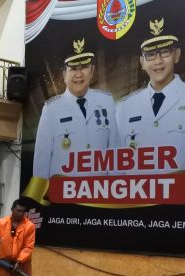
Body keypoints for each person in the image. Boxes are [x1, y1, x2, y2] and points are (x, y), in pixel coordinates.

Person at [117, 18, 185, 175]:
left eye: (165, 52)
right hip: (138, 198)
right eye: (150, 54)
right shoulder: (126, 106)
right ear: (142, 62)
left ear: (176, 55)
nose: (158, 61)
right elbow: (120, 169)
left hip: (181, 199)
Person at [32, 38, 119, 179]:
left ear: (92, 71)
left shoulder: (106, 101)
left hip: (99, 195)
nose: (79, 74)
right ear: (64, 74)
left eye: (84, 67)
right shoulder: (51, 110)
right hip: (64, 196)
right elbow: (41, 164)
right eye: (73, 69)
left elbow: (115, 152)